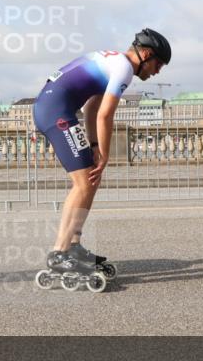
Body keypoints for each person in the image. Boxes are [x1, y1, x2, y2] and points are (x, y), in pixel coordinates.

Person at [32, 28, 171, 282]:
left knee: (91, 181)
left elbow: (92, 106)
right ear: (146, 54)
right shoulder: (124, 68)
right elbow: (106, 114)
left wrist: (95, 145)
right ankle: (59, 252)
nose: (157, 71)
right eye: (158, 64)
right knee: (83, 183)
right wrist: (106, 155)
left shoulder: (112, 61)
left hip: (56, 108)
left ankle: (73, 245)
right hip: (56, 112)